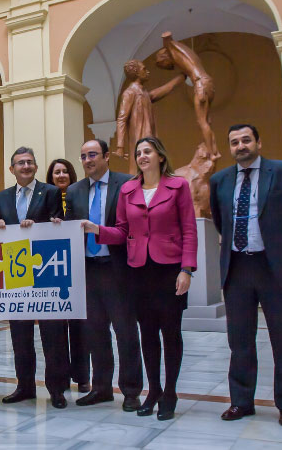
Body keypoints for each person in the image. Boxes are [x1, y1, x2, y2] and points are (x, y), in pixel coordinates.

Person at [83, 136, 197, 421]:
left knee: (170, 334)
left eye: (147, 151)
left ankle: (170, 393)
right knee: (147, 334)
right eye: (138, 152)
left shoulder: (178, 185)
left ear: (160, 155)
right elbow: (121, 232)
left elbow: (189, 230)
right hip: (137, 271)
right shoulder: (128, 189)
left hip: (169, 270)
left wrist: (187, 269)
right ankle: (154, 391)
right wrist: (96, 229)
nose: (142, 156)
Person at [210, 124, 282, 428]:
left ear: (258, 141)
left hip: (274, 267)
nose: (240, 146)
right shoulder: (220, 180)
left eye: (245, 140)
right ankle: (241, 402)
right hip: (237, 267)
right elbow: (220, 219)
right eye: (234, 142)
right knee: (239, 339)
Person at [64, 140, 143, 410]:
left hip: (118, 267)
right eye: (83, 156)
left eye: (93, 155)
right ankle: (101, 388)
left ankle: (131, 391)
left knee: (125, 331)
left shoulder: (127, 184)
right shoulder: (74, 191)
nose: (87, 160)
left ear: (107, 156)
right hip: (88, 269)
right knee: (95, 332)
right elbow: (70, 228)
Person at [0, 147, 69, 409]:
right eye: (20, 163)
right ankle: (24, 386)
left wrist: (42, 225)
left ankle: (57, 389)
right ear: (11, 169)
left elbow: (58, 221)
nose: (25, 166)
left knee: (53, 333)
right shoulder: (2, 197)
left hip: (45, 268)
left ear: (36, 167)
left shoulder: (50, 192)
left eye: (29, 162)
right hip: (16, 271)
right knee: (20, 333)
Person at [47, 158, 90, 394]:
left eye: (65, 171)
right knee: (55, 328)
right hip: (52, 269)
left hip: (81, 266)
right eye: (56, 172)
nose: (61, 175)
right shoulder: (45, 198)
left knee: (80, 325)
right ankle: (60, 376)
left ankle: (83, 376)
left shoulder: (81, 196)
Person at [156, 31, 219, 160]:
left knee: (201, 121)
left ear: (164, 57)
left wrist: (199, 87)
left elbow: (166, 39)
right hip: (207, 82)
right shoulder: (185, 55)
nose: (168, 67)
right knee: (207, 120)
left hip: (200, 82)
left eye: (162, 64)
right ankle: (215, 150)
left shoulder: (173, 49)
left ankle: (211, 154)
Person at [114, 59, 184, 174]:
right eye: (144, 69)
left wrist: (180, 78)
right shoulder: (130, 93)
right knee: (140, 167)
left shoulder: (143, 93)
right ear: (136, 72)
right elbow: (122, 119)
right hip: (140, 138)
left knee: (154, 164)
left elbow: (160, 91)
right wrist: (120, 147)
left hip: (150, 136)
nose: (148, 72)